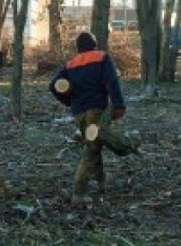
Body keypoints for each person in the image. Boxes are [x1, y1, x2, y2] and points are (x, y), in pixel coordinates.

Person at [49, 31, 126, 205]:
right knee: (91, 151)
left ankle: (101, 182)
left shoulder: (70, 65)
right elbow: (112, 81)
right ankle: (79, 192)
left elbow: (53, 86)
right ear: (94, 44)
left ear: (78, 48)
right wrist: (119, 105)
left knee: (94, 145)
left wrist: (68, 101)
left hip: (78, 114)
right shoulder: (102, 57)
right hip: (96, 111)